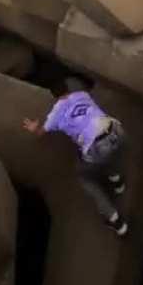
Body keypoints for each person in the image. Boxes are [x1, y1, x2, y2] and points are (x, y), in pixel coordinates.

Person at [23, 90, 128, 236]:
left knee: (84, 177)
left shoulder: (55, 114)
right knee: (108, 153)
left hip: (97, 147)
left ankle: (115, 220)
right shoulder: (82, 94)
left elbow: (40, 132)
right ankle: (117, 180)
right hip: (117, 130)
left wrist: (35, 128)